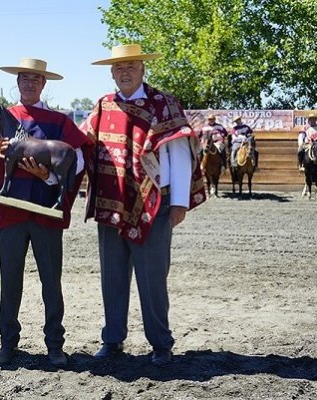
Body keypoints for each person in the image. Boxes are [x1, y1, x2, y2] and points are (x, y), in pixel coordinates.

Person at [83, 44, 207, 367]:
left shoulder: (163, 104)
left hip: (155, 205)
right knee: (112, 277)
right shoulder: (102, 106)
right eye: (119, 67)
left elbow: (179, 153)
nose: (125, 72)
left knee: (153, 277)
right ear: (112, 72)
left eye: (131, 66)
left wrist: (179, 202)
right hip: (111, 206)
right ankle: (112, 340)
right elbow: (82, 145)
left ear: (142, 69)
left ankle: (161, 343)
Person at [0, 57, 92, 368]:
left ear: (44, 84)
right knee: (9, 281)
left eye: (35, 79)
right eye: (24, 78)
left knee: (51, 282)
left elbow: (78, 161)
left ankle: (55, 344)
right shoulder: (1, 118)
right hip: (10, 213)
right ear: (17, 82)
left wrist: (50, 178)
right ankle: (7, 343)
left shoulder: (60, 121)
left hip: (45, 214)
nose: (29, 83)